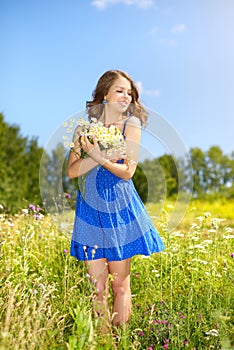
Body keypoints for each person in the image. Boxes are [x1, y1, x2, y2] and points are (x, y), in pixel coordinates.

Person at [67, 69, 165, 329]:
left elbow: (128, 171)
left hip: (119, 205)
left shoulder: (129, 125)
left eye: (130, 93)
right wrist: (96, 154)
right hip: (90, 209)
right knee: (96, 288)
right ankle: (102, 343)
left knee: (120, 283)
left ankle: (119, 341)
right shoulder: (83, 129)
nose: (126, 97)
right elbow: (72, 171)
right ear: (105, 94)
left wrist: (98, 157)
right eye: (120, 91)